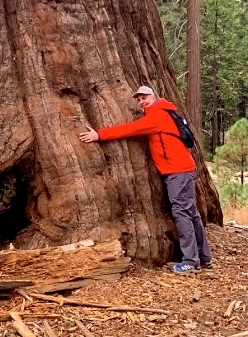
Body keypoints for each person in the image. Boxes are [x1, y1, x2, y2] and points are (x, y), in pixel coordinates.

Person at [79, 85, 212, 274]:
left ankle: (191, 261)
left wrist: (99, 134)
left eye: (144, 98)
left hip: (177, 171)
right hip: (183, 169)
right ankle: (203, 257)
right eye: (139, 99)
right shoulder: (164, 111)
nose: (142, 102)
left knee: (182, 213)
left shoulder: (156, 116)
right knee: (191, 213)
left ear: (153, 96)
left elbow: (131, 129)